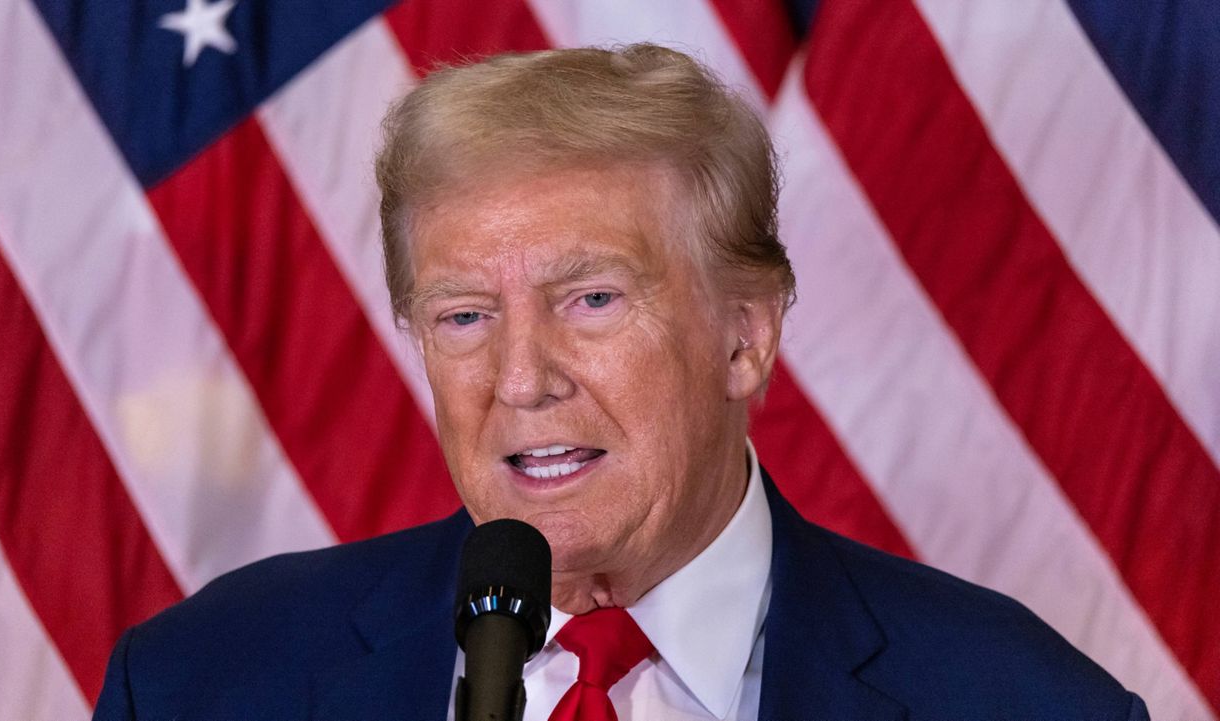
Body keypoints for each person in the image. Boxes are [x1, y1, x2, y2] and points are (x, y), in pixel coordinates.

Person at [93, 44, 1148, 720]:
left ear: (745, 336)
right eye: (463, 315)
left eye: (590, 299)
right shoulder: (204, 684)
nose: (519, 378)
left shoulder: (1018, 700)